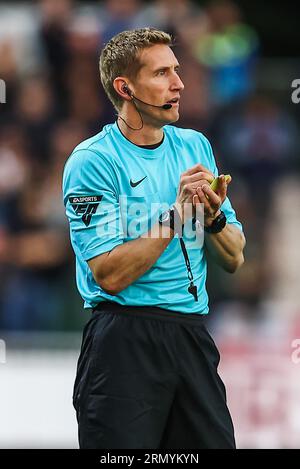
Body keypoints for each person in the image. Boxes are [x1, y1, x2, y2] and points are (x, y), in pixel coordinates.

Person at [62, 27, 245, 449]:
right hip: (123, 342)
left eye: (176, 71)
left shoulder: (195, 145)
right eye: (162, 73)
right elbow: (108, 274)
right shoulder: (93, 161)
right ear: (125, 88)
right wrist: (177, 215)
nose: (179, 83)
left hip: (191, 337)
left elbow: (234, 258)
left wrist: (213, 219)